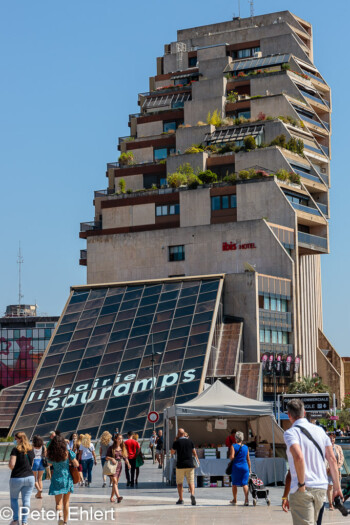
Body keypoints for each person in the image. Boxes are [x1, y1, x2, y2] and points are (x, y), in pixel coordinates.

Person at [283, 399, 342, 525]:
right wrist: (337, 487)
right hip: (321, 488)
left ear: (289, 415)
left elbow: (298, 457)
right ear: (304, 412)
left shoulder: (290, 433)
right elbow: (332, 459)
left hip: (304, 489)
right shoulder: (320, 431)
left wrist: (301, 484)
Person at [47, 435, 79, 525]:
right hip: (67, 478)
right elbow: (76, 464)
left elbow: (49, 464)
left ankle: (60, 517)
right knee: (66, 502)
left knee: (58, 503)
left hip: (56, 478)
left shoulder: (52, 454)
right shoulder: (68, 453)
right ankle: (65, 522)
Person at [8, 431, 35, 525]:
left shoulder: (15, 450)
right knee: (26, 500)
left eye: (15, 439)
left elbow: (12, 464)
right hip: (30, 477)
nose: (15, 441)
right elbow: (31, 464)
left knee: (14, 499)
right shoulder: (31, 450)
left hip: (17, 477)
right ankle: (24, 521)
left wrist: (12, 467)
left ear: (20, 439)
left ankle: (15, 520)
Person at [171, 428, 199, 506]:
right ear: (184, 434)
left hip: (180, 465)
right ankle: (192, 494)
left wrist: (175, 441)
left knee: (180, 483)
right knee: (191, 482)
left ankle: (181, 499)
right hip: (190, 464)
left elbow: (172, 452)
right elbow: (194, 452)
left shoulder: (176, 442)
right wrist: (197, 460)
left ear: (178, 434)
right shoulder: (190, 441)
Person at [105, 433, 130, 503]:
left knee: (115, 483)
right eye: (119, 439)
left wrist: (128, 463)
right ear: (115, 439)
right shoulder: (111, 448)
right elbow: (106, 457)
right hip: (112, 466)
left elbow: (125, 457)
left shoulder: (122, 448)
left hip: (119, 466)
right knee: (115, 482)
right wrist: (112, 458)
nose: (120, 440)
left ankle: (112, 497)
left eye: (121, 439)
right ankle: (118, 496)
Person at [229, 431, 251, 506]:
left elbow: (232, 457)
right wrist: (250, 468)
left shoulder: (233, 446)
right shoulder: (246, 447)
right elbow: (248, 459)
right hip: (245, 467)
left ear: (236, 438)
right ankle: (246, 500)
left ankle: (235, 500)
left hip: (236, 467)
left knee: (234, 484)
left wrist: (231, 457)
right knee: (245, 483)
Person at [327, 432, 344, 510]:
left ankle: (337, 502)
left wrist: (337, 466)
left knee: (337, 486)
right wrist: (329, 467)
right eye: (330, 438)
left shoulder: (338, 447)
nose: (332, 440)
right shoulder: (326, 448)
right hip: (328, 470)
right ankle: (331, 504)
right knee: (330, 486)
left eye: (333, 438)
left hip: (337, 470)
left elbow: (341, 458)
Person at [32, 435, 46, 499]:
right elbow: (45, 455)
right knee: (40, 479)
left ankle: (39, 490)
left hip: (34, 461)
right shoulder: (43, 447)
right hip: (41, 461)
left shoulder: (32, 447)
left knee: (34, 479)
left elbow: (30, 455)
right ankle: (39, 494)